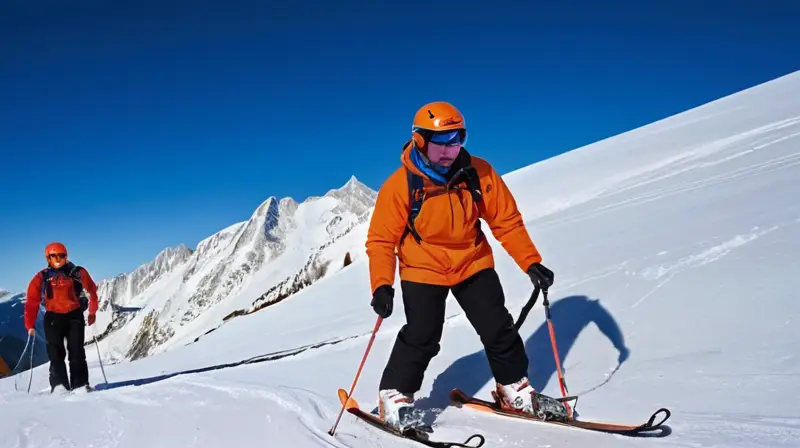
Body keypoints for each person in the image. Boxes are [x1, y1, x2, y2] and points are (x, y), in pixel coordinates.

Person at [365, 101, 560, 429]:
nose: (449, 151)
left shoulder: (478, 172)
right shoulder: (400, 186)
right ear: (420, 140)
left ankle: (513, 388)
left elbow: (506, 220)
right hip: (423, 266)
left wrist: (531, 262)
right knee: (423, 334)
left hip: (472, 260)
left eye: (456, 140)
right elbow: (381, 241)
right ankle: (395, 396)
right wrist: (382, 284)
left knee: (497, 325)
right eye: (441, 142)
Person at [24, 242, 99, 393]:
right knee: (55, 354)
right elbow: (32, 302)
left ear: (66, 256)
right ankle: (59, 387)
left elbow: (92, 291)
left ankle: (80, 385)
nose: (58, 259)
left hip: (74, 316)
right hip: (53, 319)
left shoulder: (78, 272)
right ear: (48, 258)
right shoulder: (42, 277)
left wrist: (92, 312)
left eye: (61, 255)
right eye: (53, 256)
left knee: (76, 351)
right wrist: (30, 325)